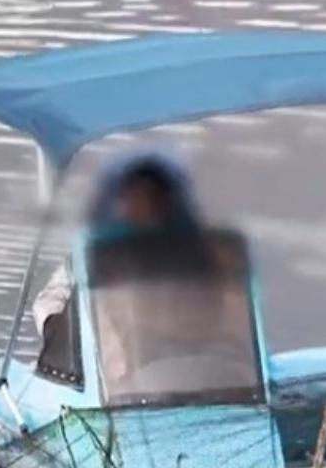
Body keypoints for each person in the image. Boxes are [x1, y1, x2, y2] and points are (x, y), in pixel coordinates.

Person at [30, 146, 203, 355]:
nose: (143, 206)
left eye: (153, 198)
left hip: (176, 362)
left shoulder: (189, 255)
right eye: (135, 198)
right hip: (108, 367)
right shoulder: (96, 251)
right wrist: (56, 327)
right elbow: (48, 302)